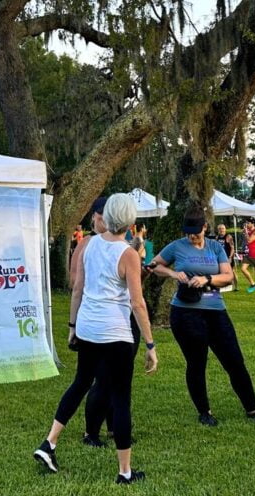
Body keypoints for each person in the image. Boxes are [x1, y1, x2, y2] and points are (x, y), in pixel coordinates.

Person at [35, 194, 157, 485]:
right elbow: (137, 303)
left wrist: (72, 325)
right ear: (129, 220)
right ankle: (125, 472)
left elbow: (78, 288)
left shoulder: (88, 244)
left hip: (88, 327)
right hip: (115, 332)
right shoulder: (128, 254)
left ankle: (49, 443)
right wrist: (151, 345)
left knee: (80, 383)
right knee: (120, 398)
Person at [150, 206, 255, 426]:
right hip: (186, 312)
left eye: (196, 231)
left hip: (215, 310)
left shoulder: (215, 247)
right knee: (196, 362)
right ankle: (204, 412)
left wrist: (206, 279)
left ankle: (253, 409)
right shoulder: (177, 246)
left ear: (205, 226)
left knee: (234, 361)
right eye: (188, 232)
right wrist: (173, 273)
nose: (192, 236)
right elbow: (154, 266)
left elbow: (228, 275)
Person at [215, 223, 237, 289]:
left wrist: (230, 257)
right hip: (220, 257)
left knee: (232, 272)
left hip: (228, 257)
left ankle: (236, 286)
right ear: (218, 230)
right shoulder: (217, 237)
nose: (221, 230)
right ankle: (222, 285)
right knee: (220, 271)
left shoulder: (228, 237)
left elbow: (232, 248)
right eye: (220, 229)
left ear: (225, 229)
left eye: (223, 228)